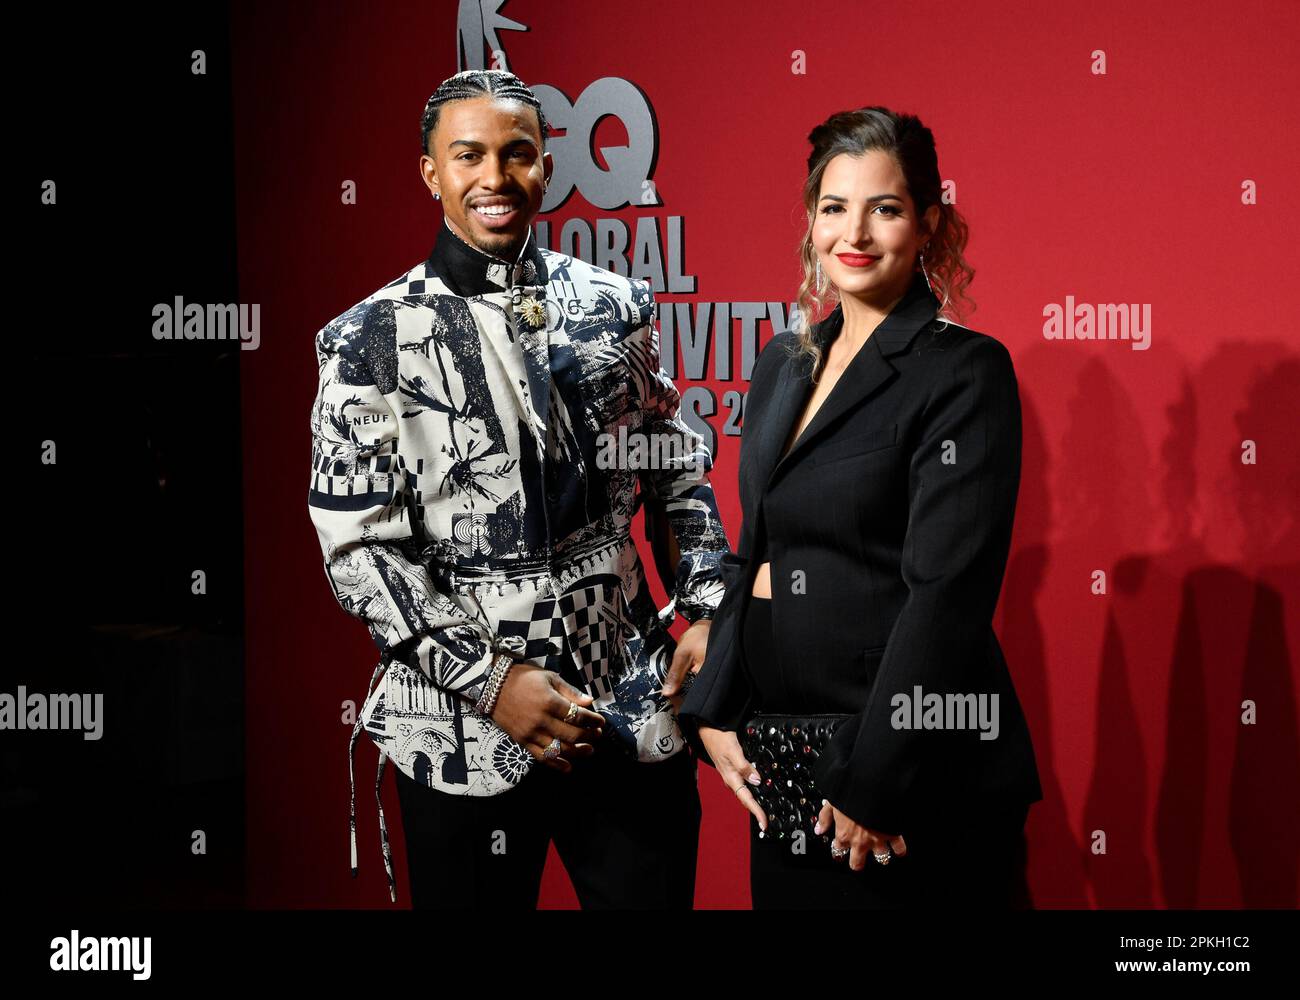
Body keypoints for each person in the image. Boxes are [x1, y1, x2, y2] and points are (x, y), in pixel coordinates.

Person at [307, 69, 729, 907]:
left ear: (544, 166)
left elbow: (675, 465)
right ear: (432, 173)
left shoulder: (618, 305)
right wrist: (494, 681)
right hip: (457, 730)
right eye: (469, 156)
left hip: (629, 706)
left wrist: (710, 606)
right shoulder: (366, 339)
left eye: (517, 155)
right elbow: (359, 552)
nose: (494, 179)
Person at [673, 106, 1043, 909]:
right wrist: (712, 709)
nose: (856, 232)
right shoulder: (782, 360)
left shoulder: (962, 372)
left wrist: (877, 777)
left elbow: (948, 592)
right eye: (835, 207)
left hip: (910, 766)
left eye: (885, 208)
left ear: (928, 224)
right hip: (787, 757)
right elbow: (755, 553)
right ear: (811, 221)